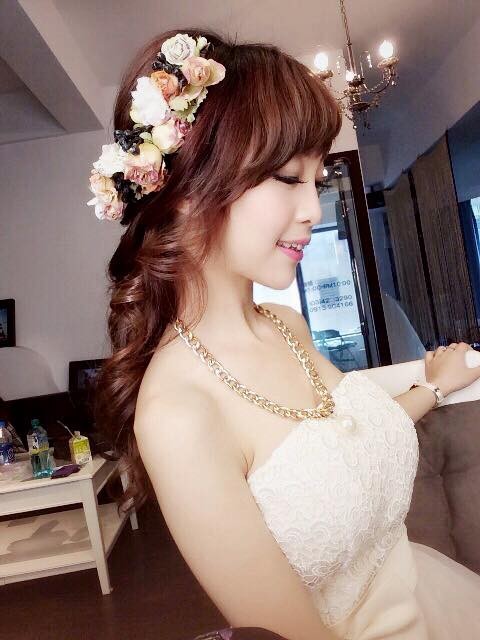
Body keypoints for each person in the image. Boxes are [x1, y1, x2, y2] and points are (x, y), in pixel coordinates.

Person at [91, 28, 480, 640]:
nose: (314, 210)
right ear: (188, 189)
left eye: (316, 180)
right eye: (287, 178)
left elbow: (349, 445)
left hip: (434, 598)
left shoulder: (286, 325)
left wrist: (433, 386)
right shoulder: (179, 413)